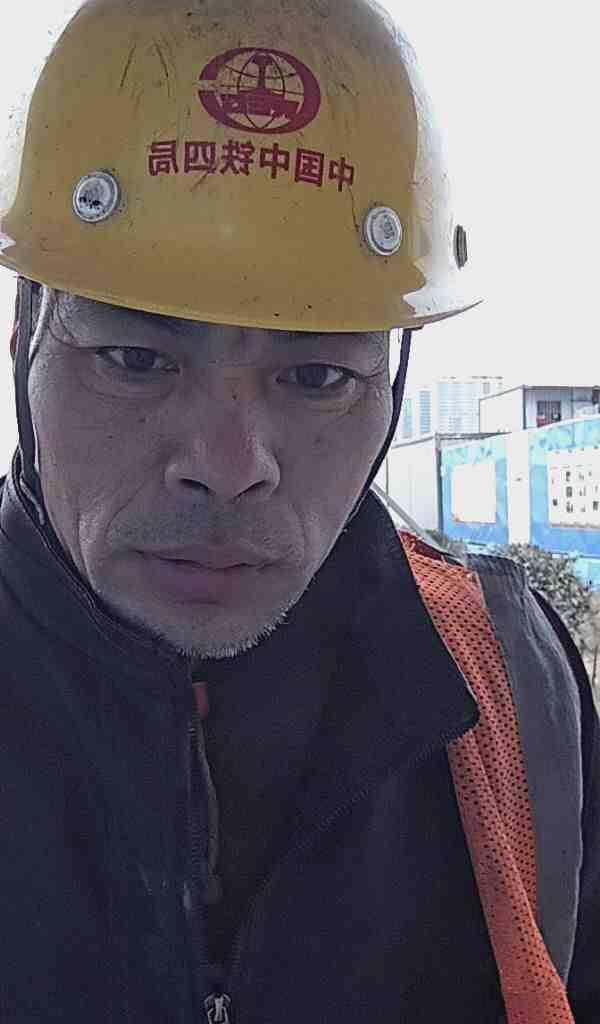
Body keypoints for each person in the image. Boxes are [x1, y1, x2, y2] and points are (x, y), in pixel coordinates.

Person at [0, 1, 598, 1021]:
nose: (229, 469)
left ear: (391, 385)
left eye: (317, 376)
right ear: (26, 343)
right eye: (135, 359)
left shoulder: (501, 679)